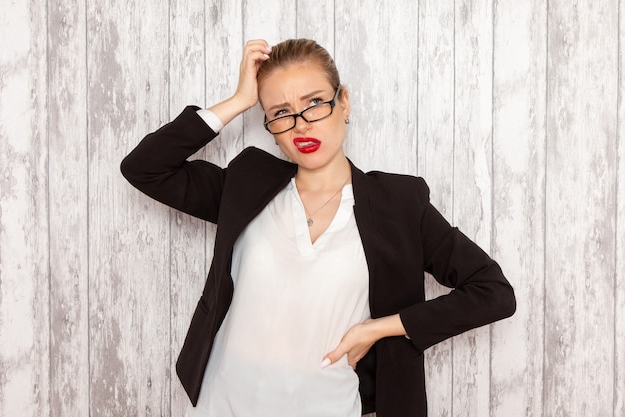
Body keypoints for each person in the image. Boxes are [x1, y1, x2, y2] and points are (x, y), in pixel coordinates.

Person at [120, 38, 516, 417]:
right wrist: (239, 100)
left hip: (330, 406)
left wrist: (380, 328)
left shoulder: (399, 204)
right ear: (270, 127)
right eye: (280, 112)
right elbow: (144, 168)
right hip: (222, 404)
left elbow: (493, 292)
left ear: (343, 102)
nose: (300, 124)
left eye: (314, 103)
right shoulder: (246, 186)